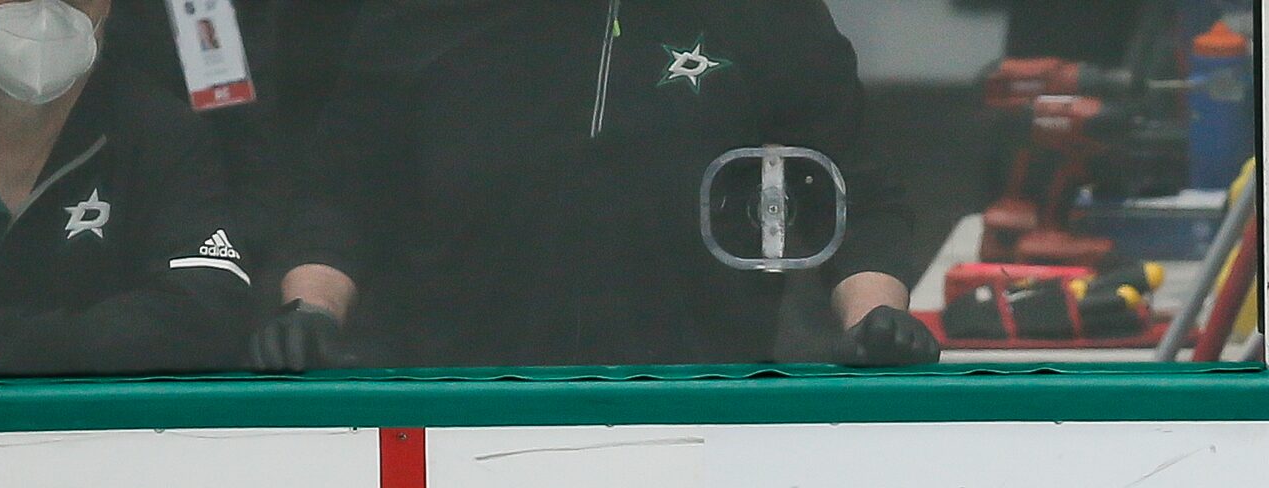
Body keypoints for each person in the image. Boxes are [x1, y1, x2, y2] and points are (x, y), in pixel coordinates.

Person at [249, 0, 930, 370]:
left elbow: (853, 193)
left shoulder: (764, 15)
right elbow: (340, 197)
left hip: (701, 397)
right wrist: (310, 313)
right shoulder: (419, 15)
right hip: (455, 403)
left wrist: (875, 319)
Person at [0, 0, 250, 373]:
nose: (43, 15)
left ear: (106, 5)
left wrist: (11, 349)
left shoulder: (159, 134)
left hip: (99, 426)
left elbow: (205, 311)